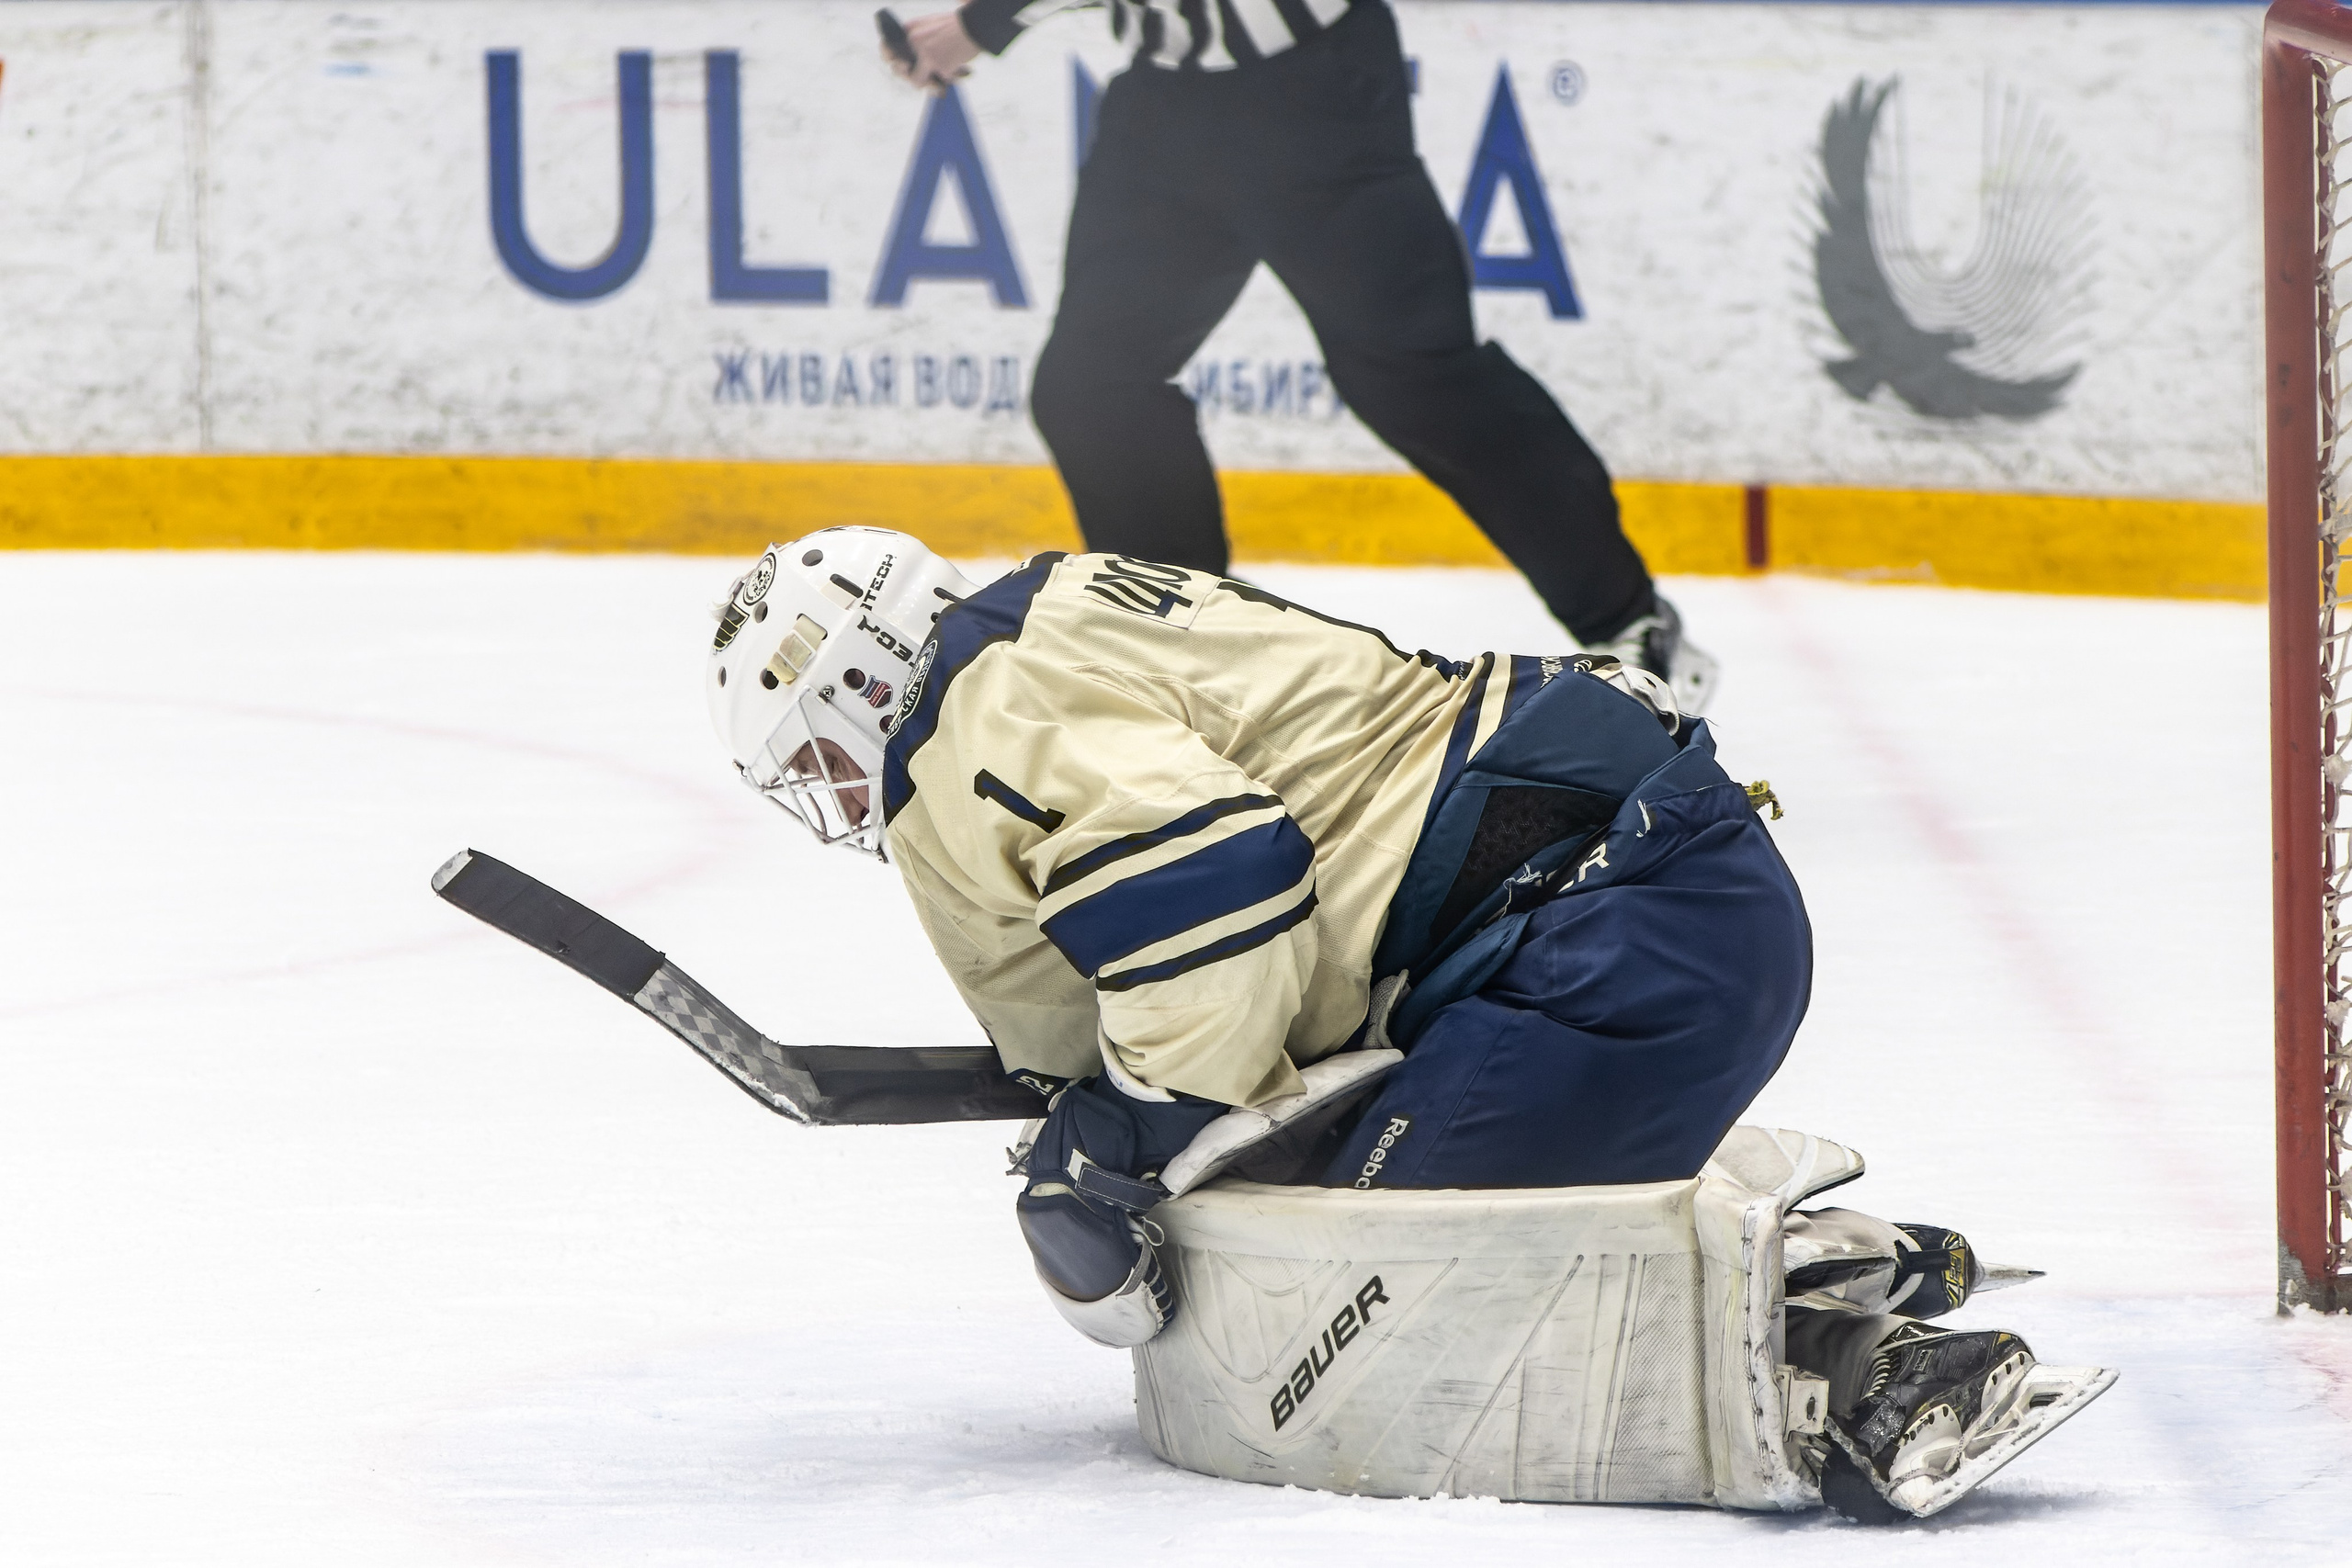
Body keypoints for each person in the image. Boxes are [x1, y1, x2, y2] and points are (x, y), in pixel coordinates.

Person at [703, 527, 2083, 1518]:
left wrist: (1135, 1122)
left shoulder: (975, 723)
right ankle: (1836, 1259)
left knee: (1375, 1297)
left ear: (865, 680)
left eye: (819, 751)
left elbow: (1217, 880)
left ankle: (1858, 1365)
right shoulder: (1048, 603)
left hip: (1608, 937)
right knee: (1327, 1181)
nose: (832, 788)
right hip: (1636, 900)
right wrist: (1121, 1103)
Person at [881, 0, 1717, 709]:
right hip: (1166, 115)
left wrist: (980, 23)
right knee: (1090, 385)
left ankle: (1629, 619)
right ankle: (1190, 654)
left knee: (1413, 376)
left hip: (1319, 95)